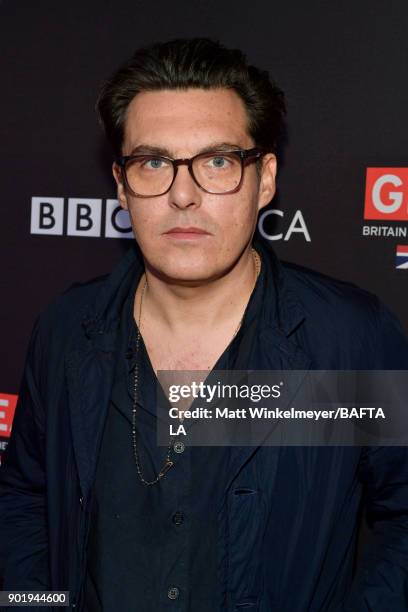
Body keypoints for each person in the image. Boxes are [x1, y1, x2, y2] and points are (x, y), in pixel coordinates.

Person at [1, 37, 408, 612]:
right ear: (121, 185)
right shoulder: (68, 330)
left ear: (264, 179)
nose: (183, 195)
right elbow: (24, 498)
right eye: (153, 163)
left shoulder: (345, 339)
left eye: (217, 161)